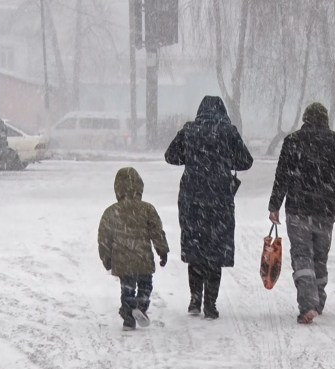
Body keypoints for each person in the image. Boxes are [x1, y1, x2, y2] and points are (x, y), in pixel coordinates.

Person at [165, 96, 254, 320]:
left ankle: (195, 299)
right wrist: (224, 160)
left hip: (192, 199)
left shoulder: (190, 130)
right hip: (220, 200)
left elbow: (170, 156)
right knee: (215, 250)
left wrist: (192, 158)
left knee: (195, 247)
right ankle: (210, 303)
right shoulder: (229, 132)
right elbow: (246, 161)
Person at [268, 102, 335, 324]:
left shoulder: (293, 141)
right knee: (320, 257)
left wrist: (275, 205)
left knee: (302, 256)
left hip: (298, 208)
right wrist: (330, 192)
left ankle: (308, 304)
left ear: (305, 119)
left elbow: (282, 176)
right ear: (326, 119)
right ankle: (319, 300)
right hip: (324, 211)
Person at [98, 167, 170, 331]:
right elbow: (156, 232)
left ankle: (128, 317)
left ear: (117, 189)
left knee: (127, 289)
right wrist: (162, 250)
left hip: (123, 260)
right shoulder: (147, 209)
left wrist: (106, 259)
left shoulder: (111, 212)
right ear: (139, 187)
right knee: (145, 286)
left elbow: (104, 238)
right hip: (142, 257)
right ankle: (141, 306)